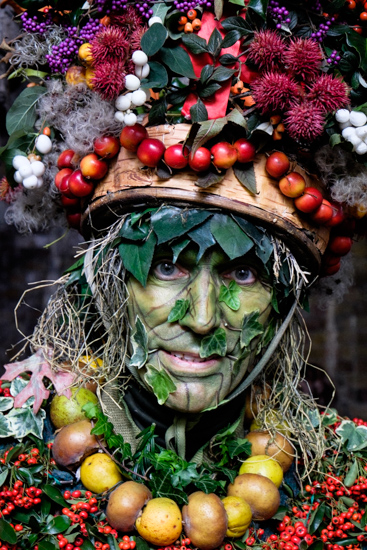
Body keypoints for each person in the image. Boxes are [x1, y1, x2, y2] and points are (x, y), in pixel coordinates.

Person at [0, 1, 366, 549]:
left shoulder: (343, 481)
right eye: (166, 265)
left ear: (286, 303)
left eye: (243, 274)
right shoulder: (12, 448)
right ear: (107, 281)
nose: (201, 319)